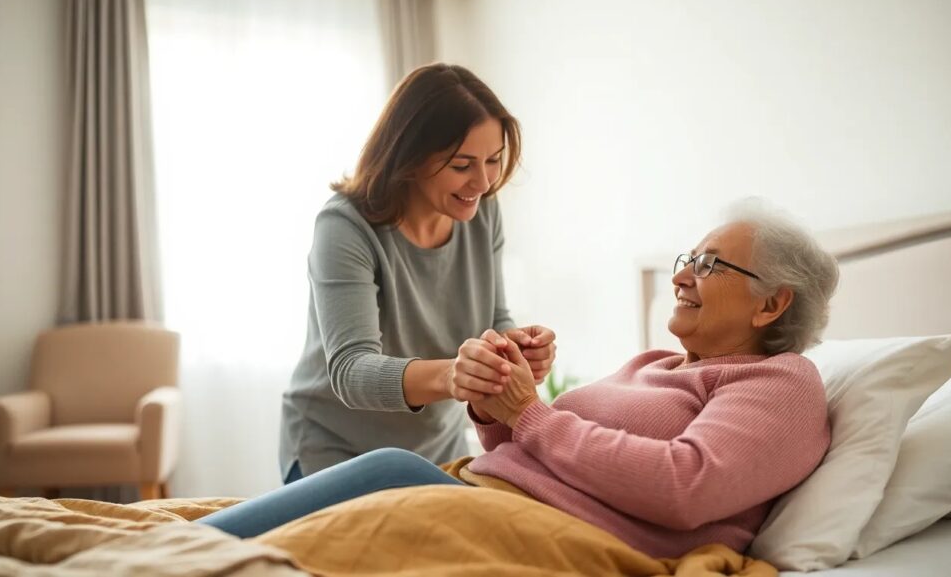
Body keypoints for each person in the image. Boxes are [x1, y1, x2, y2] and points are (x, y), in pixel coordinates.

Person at [222, 203, 838, 559]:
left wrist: (529, 414)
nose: (681, 277)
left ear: (771, 304)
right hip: (485, 497)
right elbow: (534, 449)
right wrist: (497, 402)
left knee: (379, 475)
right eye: (687, 260)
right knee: (243, 537)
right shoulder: (655, 364)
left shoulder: (781, 383)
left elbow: (687, 487)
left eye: (708, 265)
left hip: (529, 529)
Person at [279, 63, 557, 482]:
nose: (483, 182)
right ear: (410, 158)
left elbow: (494, 317)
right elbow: (351, 370)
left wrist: (512, 349)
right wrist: (452, 374)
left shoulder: (482, 214)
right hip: (335, 449)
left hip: (436, 448)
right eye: (462, 165)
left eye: (493, 160)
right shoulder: (345, 226)